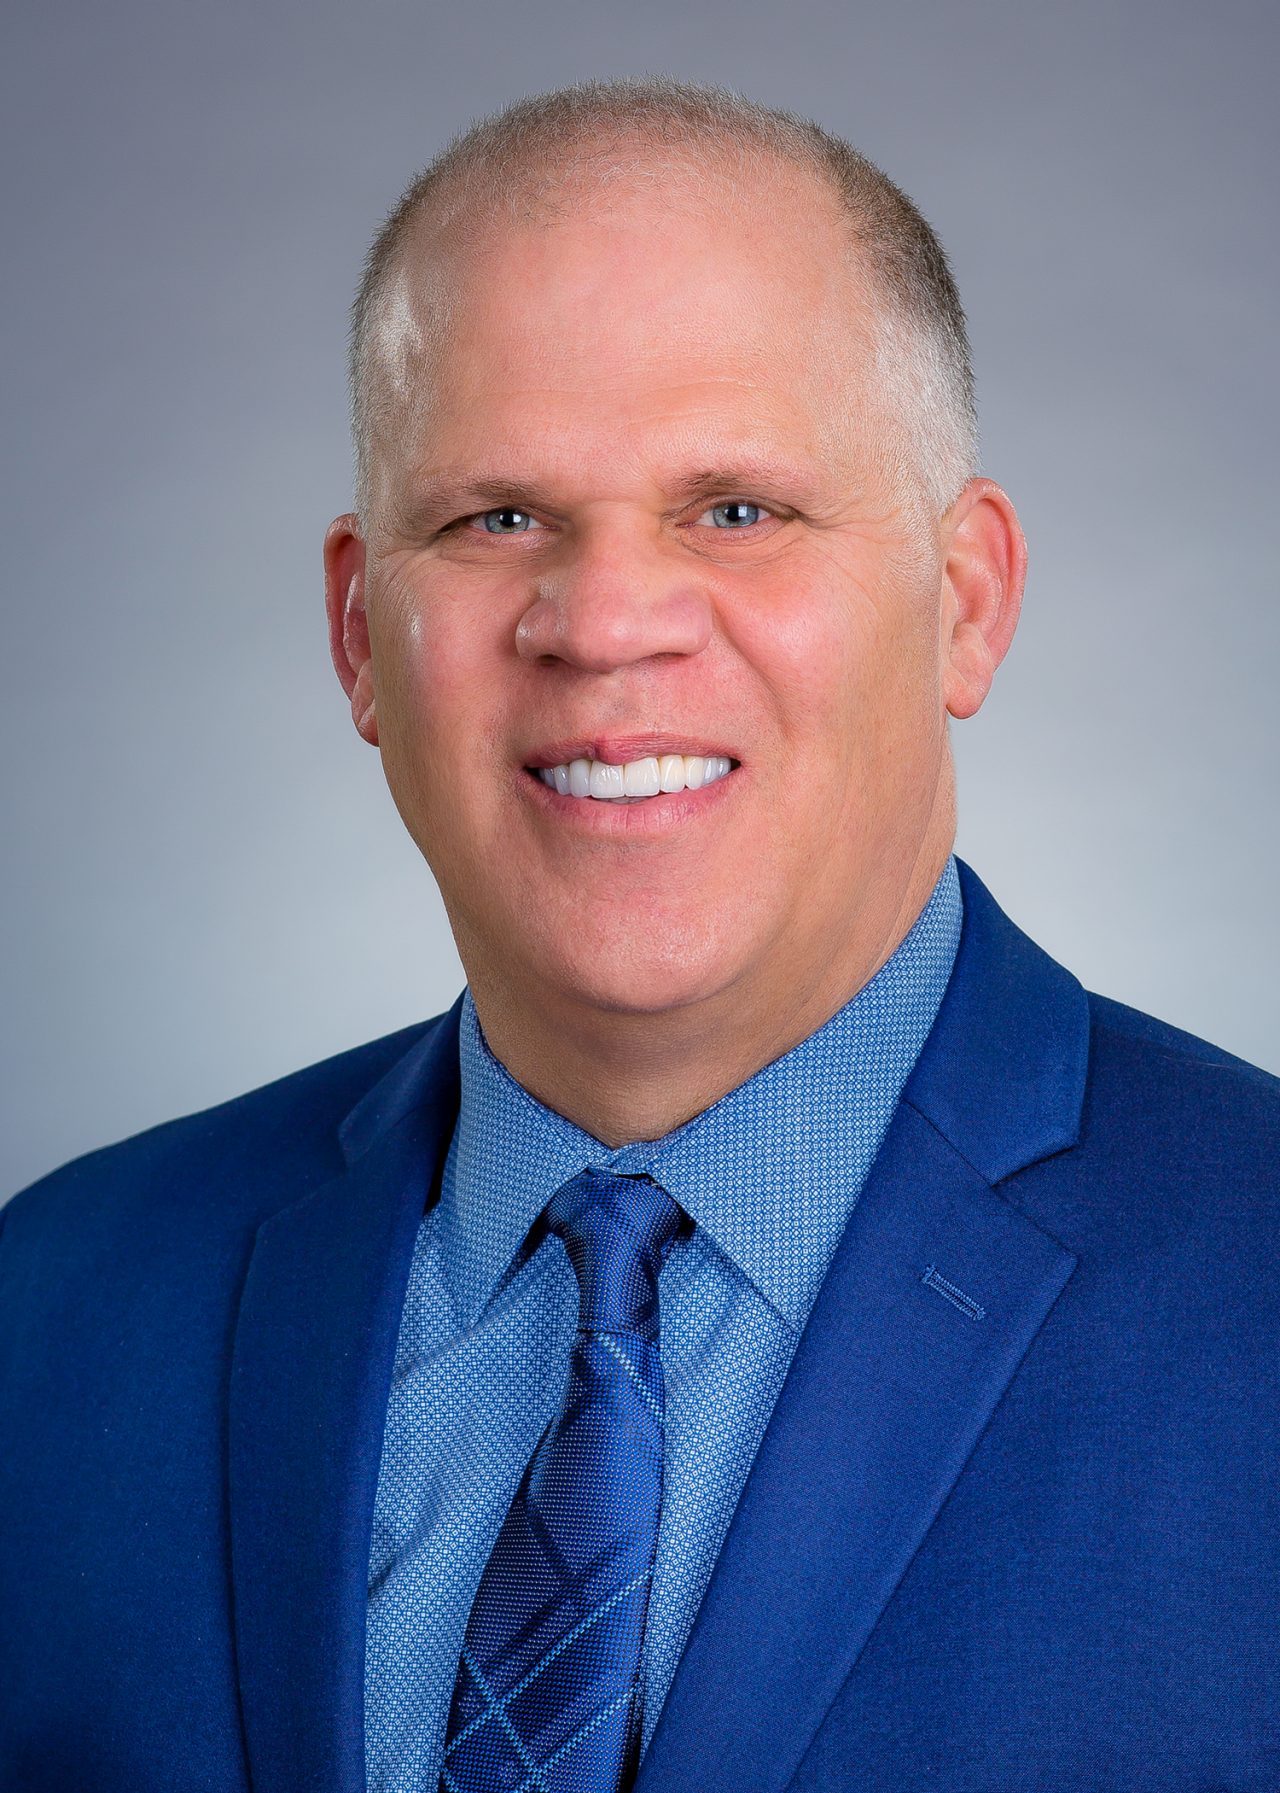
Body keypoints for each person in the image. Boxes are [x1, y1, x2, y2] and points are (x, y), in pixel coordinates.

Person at [1, 76, 1276, 1793]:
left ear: (963, 602)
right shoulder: (59, 1307)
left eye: (736, 506)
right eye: (496, 515)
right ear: (361, 635)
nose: (604, 622)